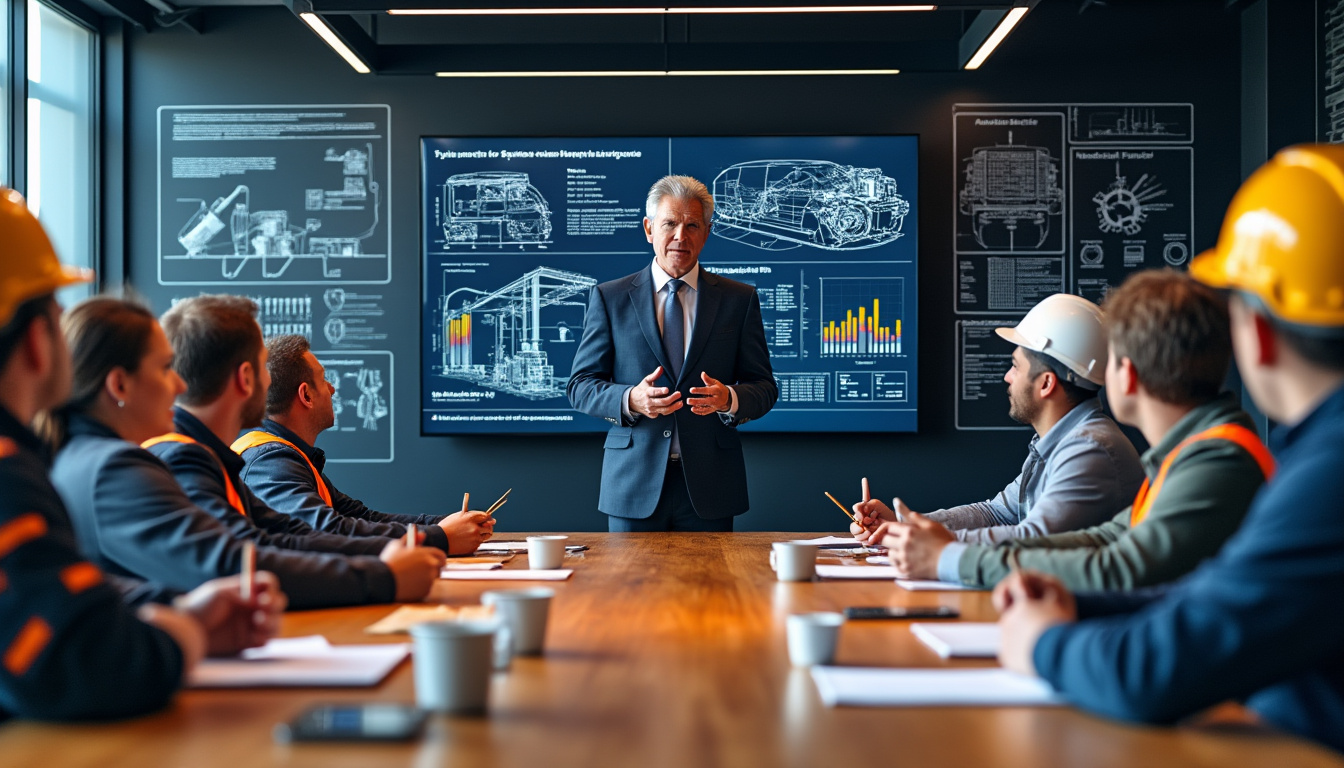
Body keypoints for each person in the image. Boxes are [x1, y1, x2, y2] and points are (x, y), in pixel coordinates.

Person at [997, 144, 1344, 753]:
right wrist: (1080, 605)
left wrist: (1041, 643)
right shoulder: (1310, 453)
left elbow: (1159, 670)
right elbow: (1221, 593)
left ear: (1256, 333)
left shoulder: (1327, 470)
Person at [0, 190, 283, 721]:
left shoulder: (38, 462)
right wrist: (185, 630)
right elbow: (97, 667)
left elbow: (62, 589)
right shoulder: (17, 475)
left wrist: (173, 608)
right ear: (39, 339)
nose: (176, 384)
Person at [51, 297, 444, 609]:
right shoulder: (124, 466)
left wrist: (400, 550)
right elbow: (230, 563)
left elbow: (284, 534)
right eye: (165, 368)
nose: (177, 384)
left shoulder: (97, 459)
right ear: (119, 386)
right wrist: (384, 574)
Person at [931, 270, 1272, 589]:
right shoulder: (1186, 457)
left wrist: (951, 556)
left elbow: (1117, 567)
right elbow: (1105, 538)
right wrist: (940, 544)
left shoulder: (1216, 460)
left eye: (1111, 364)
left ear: (1128, 373)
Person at [852, 294, 1145, 581]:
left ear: (1046, 383)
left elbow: (1035, 539)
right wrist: (902, 525)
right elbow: (997, 513)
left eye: (1016, 366)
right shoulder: (1062, 441)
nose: (1007, 376)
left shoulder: (1089, 449)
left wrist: (932, 544)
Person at [567, 175, 778, 531]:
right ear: (649, 229)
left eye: (692, 225)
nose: (681, 236)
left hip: (711, 485)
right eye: (670, 224)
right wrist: (631, 399)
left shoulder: (738, 300)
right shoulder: (611, 297)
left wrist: (729, 398)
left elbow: (764, 387)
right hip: (632, 483)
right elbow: (580, 385)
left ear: (707, 232)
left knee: (711, 589)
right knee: (631, 588)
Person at [235, 334, 493, 554]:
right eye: (324, 380)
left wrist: (446, 525)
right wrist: (440, 538)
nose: (332, 388)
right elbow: (324, 530)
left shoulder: (287, 456)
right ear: (306, 395)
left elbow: (361, 518)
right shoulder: (269, 462)